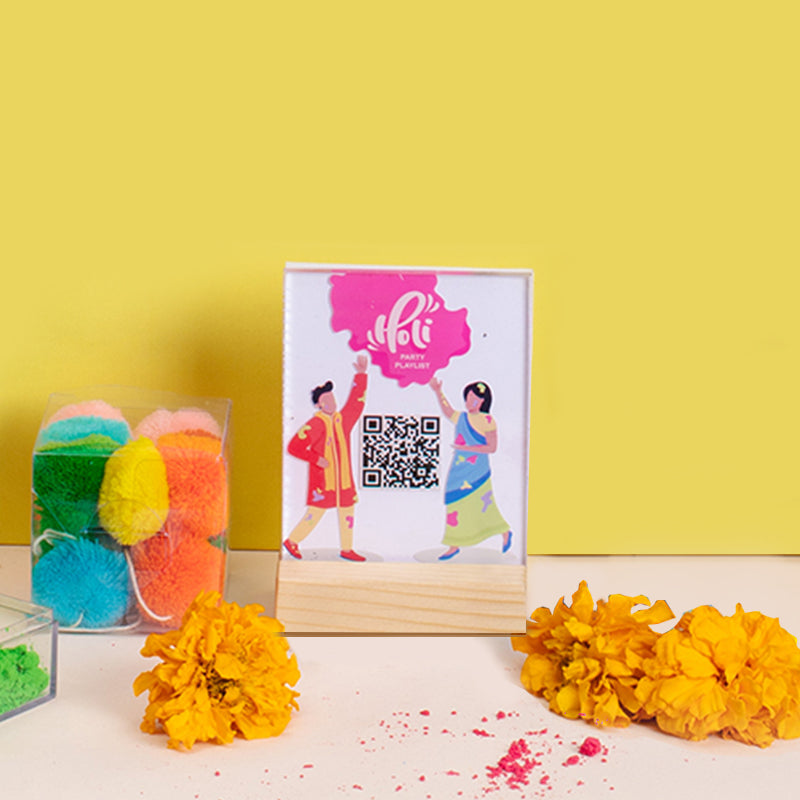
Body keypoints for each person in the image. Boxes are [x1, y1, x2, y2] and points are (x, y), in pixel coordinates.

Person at [284, 355, 368, 561]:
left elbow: (355, 405)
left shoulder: (343, 421)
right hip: (323, 481)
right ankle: (292, 541)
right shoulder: (315, 424)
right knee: (315, 513)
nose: (331, 402)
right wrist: (315, 458)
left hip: (344, 481)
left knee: (348, 511)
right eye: (326, 400)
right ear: (319, 405)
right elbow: (294, 447)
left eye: (332, 398)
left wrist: (361, 375)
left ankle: (347, 549)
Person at [429, 377, 512, 560]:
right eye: (467, 398)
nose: (468, 402)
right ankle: (454, 545)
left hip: (478, 471)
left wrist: (467, 448)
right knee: (454, 503)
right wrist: (438, 391)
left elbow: (492, 448)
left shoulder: (488, 420)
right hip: (459, 469)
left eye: (473, 399)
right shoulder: (462, 417)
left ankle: (504, 531)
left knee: (484, 505)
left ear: (482, 401)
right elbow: (448, 411)